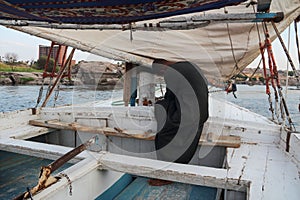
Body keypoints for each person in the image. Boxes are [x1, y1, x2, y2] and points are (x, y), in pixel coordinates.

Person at [149, 60, 209, 186]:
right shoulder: (191, 65)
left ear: (162, 66)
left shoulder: (171, 72)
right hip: (202, 114)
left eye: (160, 71)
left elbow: (170, 96)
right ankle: (176, 169)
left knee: (164, 132)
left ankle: (167, 174)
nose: (162, 74)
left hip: (187, 113)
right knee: (186, 139)